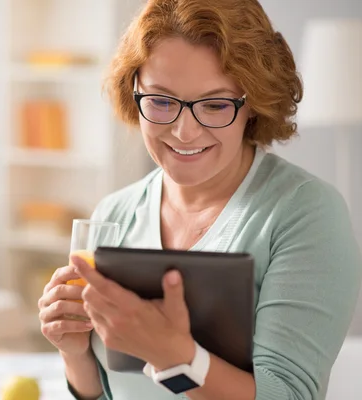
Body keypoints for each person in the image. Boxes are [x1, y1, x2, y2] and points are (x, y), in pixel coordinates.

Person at [37, 0, 362, 399]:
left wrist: (175, 357)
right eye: (160, 101)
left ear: (253, 104)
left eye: (214, 105)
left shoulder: (304, 214)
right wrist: (75, 355)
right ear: (133, 91)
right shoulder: (115, 214)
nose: (184, 131)